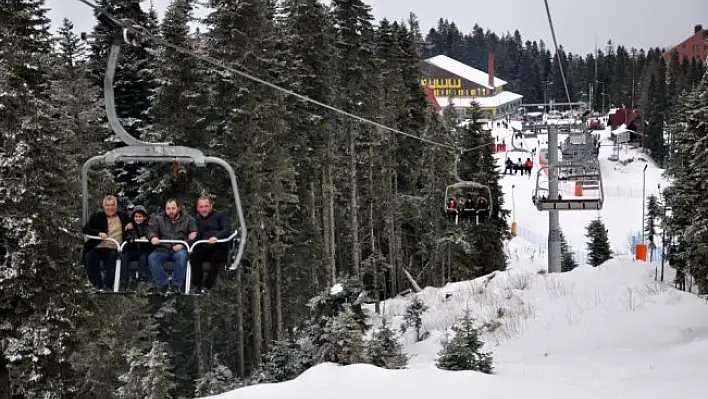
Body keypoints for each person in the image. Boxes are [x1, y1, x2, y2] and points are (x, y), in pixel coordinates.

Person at [148, 198, 198, 294]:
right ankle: (163, 285)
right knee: (152, 258)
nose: (171, 211)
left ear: (178, 208)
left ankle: (176, 285)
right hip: (163, 248)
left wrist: (183, 244)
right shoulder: (159, 219)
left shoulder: (188, 220)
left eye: (173, 208)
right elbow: (151, 231)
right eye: (168, 208)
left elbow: (194, 236)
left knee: (182, 256)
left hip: (179, 249)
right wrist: (153, 237)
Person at [82, 195, 129, 292]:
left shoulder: (123, 216)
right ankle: (96, 284)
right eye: (108, 206)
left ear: (116, 206)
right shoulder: (96, 217)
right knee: (90, 256)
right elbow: (86, 229)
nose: (110, 208)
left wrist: (131, 224)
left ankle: (108, 285)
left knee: (112, 257)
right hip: (99, 246)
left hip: (114, 247)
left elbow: (137, 221)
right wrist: (98, 233)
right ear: (104, 207)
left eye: (113, 205)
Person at [190, 197, 232, 294]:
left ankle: (207, 286)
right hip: (204, 247)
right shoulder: (197, 220)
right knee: (195, 255)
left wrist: (216, 237)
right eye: (201, 207)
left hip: (219, 247)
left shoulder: (220, 216)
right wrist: (192, 236)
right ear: (197, 208)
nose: (204, 209)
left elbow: (226, 230)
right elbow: (196, 234)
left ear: (211, 206)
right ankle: (196, 285)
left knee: (217, 257)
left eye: (206, 206)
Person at [120, 205, 153, 291]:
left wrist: (146, 239)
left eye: (140, 216)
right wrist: (130, 238)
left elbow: (149, 234)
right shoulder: (131, 226)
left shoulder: (148, 227)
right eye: (136, 216)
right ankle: (124, 281)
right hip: (132, 249)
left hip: (143, 250)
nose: (138, 219)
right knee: (125, 257)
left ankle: (140, 278)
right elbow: (127, 236)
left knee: (143, 257)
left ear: (144, 217)